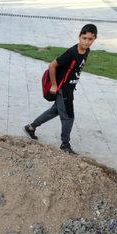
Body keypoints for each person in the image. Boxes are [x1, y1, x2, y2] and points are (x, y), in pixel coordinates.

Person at [23, 24, 98, 155]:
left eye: (90, 39)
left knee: (55, 110)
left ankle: (31, 127)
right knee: (69, 117)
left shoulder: (86, 51)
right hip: (63, 90)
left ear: (94, 39)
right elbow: (52, 65)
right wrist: (53, 85)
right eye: (84, 38)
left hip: (70, 88)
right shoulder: (72, 52)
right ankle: (65, 144)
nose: (86, 42)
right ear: (79, 36)